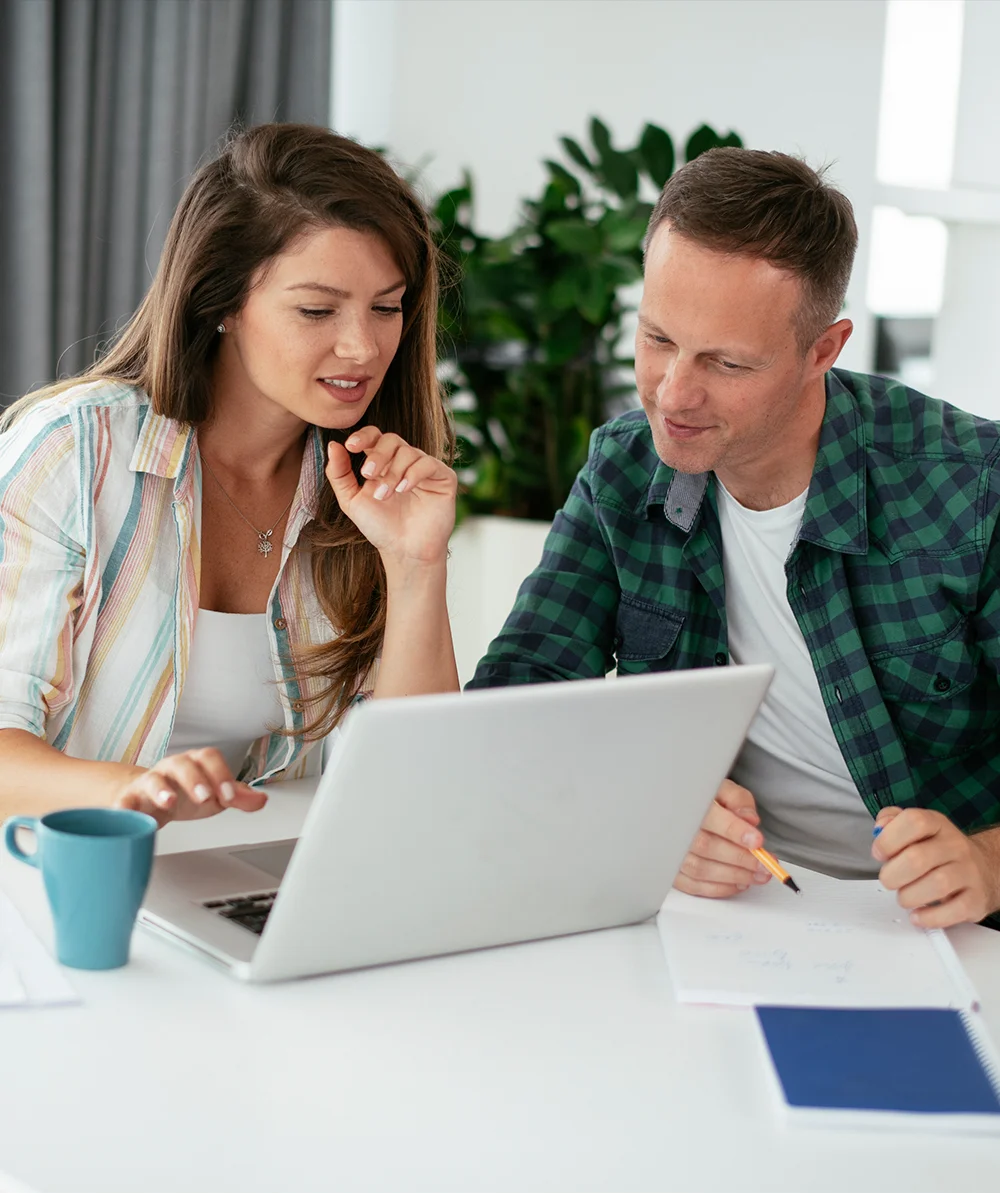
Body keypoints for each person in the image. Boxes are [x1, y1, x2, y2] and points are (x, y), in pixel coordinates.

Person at [468, 148, 1000, 930]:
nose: (674, 394)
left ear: (823, 350)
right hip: (726, 917)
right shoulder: (623, 469)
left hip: (945, 934)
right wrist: (648, 805)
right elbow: (512, 711)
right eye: (658, 339)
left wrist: (988, 861)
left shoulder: (973, 486)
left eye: (726, 362)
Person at [0, 123, 458, 827]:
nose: (362, 347)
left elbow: (417, 781)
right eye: (317, 310)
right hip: (62, 872)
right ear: (221, 302)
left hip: (261, 874)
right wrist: (138, 792)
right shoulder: (74, 450)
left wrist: (416, 565)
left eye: (386, 308)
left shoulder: (370, 490)